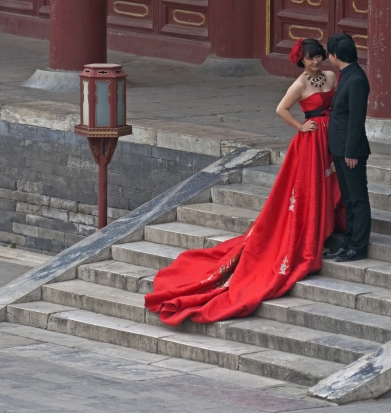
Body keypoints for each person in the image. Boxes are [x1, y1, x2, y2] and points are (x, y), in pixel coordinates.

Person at [145, 39, 342, 326]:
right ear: (302, 61)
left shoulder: (331, 77)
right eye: (311, 59)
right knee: (307, 191)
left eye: (319, 58)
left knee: (329, 185)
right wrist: (302, 126)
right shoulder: (299, 85)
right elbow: (281, 110)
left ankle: (329, 226)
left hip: (330, 138)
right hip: (310, 142)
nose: (316, 63)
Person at [323, 33, 371, 262]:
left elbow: (356, 119)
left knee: (358, 198)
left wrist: (352, 151)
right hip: (340, 148)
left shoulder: (356, 79)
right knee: (349, 199)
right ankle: (349, 241)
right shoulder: (346, 75)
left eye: (330, 53)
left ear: (336, 55)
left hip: (351, 151)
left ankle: (358, 246)